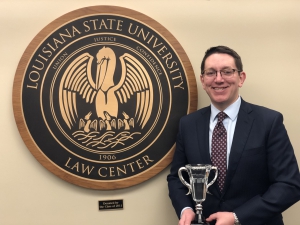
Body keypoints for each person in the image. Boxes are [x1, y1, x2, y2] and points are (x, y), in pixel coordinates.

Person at [167, 46, 300, 225]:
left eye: (227, 72)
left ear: (241, 78)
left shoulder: (269, 121)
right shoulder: (188, 125)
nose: (219, 79)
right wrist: (186, 209)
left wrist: (237, 217)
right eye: (211, 73)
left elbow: (289, 185)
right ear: (203, 80)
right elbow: (177, 177)